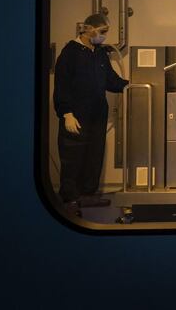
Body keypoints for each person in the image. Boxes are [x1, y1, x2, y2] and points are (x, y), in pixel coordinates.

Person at [53, 13, 128, 217]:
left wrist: (131, 86)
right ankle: (70, 200)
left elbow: (111, 80)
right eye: (102, 32)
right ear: (88, 29)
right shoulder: (70, 53)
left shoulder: (100, 54)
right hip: (76, 116)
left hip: (97, 115)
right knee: (73, 158)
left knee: (94, 155)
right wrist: (66, 112)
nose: (104, 37)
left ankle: (87, 194)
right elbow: (62, 86)